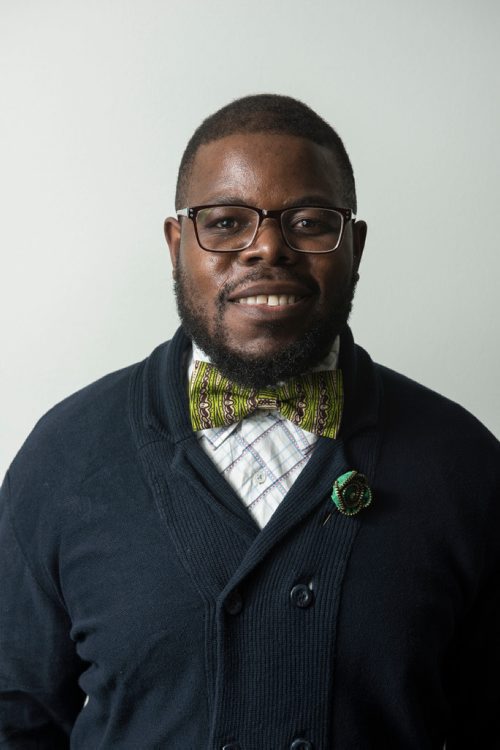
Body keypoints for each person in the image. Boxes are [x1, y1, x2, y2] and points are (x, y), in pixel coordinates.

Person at [0, 94, 498, 750]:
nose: (267, 247)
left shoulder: (465, 463)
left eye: (310, 222)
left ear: (356, 245)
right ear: (177, 244)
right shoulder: (64, 457)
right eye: (227, 221)